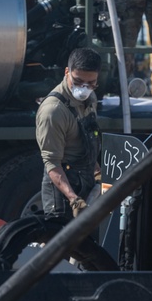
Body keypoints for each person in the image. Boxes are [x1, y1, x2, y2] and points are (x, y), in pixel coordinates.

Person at [35, 47, 118, 271]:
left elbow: (89, 142)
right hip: (61, 192)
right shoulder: (53, 112)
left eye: (91, 84)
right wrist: (73, 199)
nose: (85, 88)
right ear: (66, 72)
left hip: (84, 182)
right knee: (58, 252)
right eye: (79, 81)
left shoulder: (90, 97)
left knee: (86, 252)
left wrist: (99, 174)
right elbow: (52, 164)